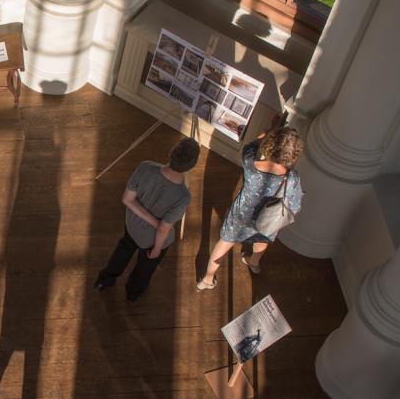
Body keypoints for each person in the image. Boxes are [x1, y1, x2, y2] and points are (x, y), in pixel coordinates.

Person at [197, 125, 305, 289]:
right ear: (294, 154)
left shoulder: (251, 164)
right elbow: (295, 206)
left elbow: (250, 146)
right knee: (261, 243)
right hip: (268, 221)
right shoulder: (292, 178)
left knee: (224, 243)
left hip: (240, 216)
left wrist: (268, 131)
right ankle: (253, 262)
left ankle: (208, 279)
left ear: (269, 145)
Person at [94, 138, 199, 300]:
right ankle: (133, 293)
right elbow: (164, 228)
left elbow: (127, 199)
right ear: (192, 165)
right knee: (145, 268)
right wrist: (156, 248)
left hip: (132, 225)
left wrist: (151, 222)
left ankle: (105, 280)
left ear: (172, 152)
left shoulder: (146, 167)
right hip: (153, 240)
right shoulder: (183, 196)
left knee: (123, 249)